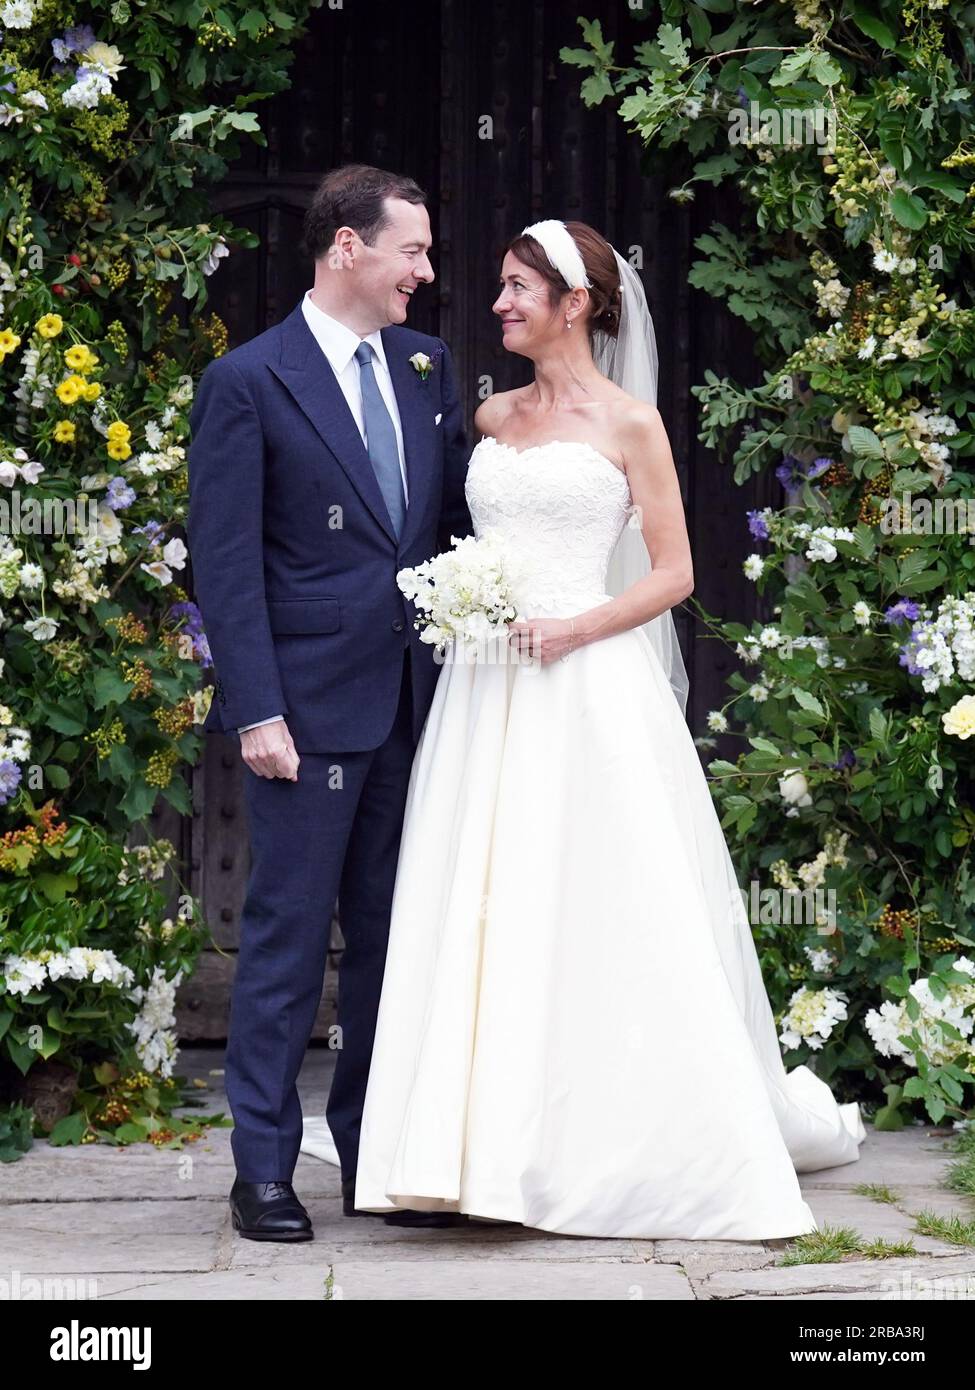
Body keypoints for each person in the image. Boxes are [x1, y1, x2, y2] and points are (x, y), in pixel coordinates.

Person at [351, 218, 865, 1240]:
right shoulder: (490, 419)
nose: (497, 304)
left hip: (586, 683)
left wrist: (574, 627)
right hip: (484, 692)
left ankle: (602, 1138)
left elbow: (675, 574)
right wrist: (470, 602)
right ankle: (463, 1145)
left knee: (593, 899)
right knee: (483, 899)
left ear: (574, 302)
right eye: (497, 287)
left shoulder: (633, 425)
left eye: (515, 288)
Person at [187, 163, 471, 1241]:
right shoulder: (248, 382)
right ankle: (262, 1170)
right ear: (347, 247)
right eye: (413, 250)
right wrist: (257, 709)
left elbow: (447, 528)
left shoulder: (428, 366)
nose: (427, 272)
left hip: (419, 708)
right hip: (303, 719)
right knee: (287, 945)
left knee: (394, 944)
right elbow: (227, 563)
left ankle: (372, 1159)